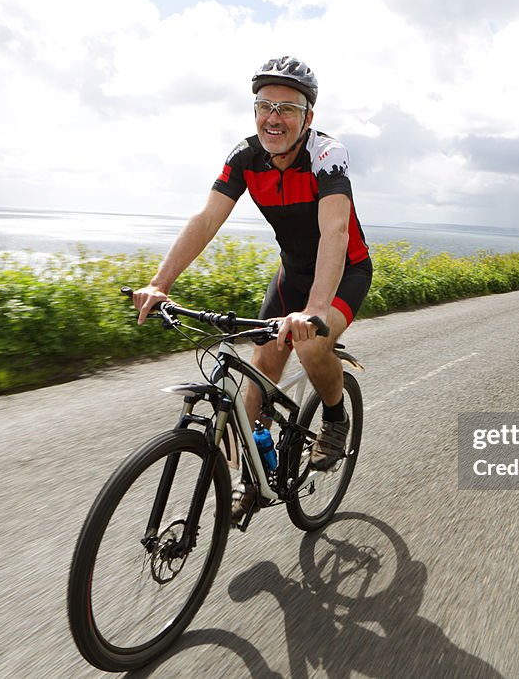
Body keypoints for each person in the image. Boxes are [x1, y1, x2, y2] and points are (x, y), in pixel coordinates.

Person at [133, 56, 373, 521]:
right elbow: (206, 220)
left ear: (308, 118)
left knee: (312, 345)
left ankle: (336, 414)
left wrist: (316, 309)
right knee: (257, 385)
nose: (273, 117)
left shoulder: (326, 155)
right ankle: (254, 479)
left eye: (287, 107)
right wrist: (159, 284)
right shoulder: (244, 157)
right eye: (265, 105)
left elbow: (336, 232)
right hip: (291, 275)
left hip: (344, 271)